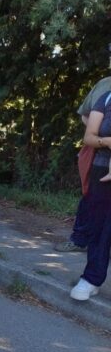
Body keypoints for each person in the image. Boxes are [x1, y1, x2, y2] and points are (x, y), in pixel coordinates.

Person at [55, 76, 111, 252]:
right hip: (99, 153)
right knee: (90, 197)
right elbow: (85, 114)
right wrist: (101, 133)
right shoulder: (104, 85)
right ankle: (79, 240)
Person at [70, 89, 111, 300]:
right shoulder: (107, 97)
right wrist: (108, 142)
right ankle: (91, 279)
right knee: (99, 228)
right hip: (102, 170)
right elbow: (89, 136)